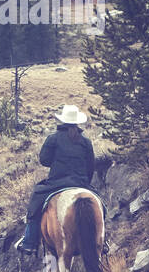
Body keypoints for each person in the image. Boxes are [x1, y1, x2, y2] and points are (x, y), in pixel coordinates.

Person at [17, 105, 95, 254]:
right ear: (77, 122)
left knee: (35, 202)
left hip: (56, 182)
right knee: (99, 204)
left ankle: (29, 241)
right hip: (80, 182)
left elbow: (44, 160)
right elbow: (91, 166)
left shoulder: (53, 138)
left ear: (63, 121)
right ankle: (102, 241)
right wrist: (85, 183)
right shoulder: (86, 142)